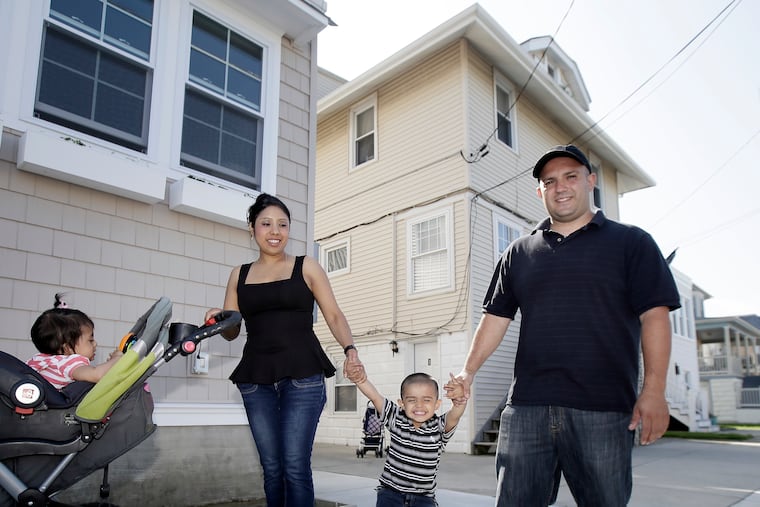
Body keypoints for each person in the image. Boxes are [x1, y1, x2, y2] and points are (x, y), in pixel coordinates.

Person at [452, 144, 681, 507]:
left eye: (570, 177)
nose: (560, 187)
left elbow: (655, 315)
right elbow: (495, 318)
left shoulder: (631, 243)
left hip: (602, 410)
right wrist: (467, 372)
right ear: (539, 191)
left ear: (590, 181)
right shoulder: (519, 252)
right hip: (527, 408)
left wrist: (654, 391)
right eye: (549, 181)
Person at [204, 192, 363, 507]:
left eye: (282, 224)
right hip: (255, 379)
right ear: (252, 228)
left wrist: (350, 349)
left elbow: (333, 314)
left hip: (303, 376)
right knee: (272, 468)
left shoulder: (307, 267)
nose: (275, 231)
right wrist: (219, 320)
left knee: (294, 466)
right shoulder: (240, 274)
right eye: (266, 224)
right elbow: (233, 332)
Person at [347, 366, 466, 507]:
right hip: (390, 494)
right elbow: (374, 396)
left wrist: (459, 398)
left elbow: (455, 414)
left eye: (426, 400)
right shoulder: (396, 418)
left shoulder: (439, 427)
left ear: (437, 404)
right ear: (402, 404)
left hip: (423, 499)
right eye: (412, 400)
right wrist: (360, 379)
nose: (419, 405)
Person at [27, 294, 123, 389]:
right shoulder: (69, 363)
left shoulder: (39, 360)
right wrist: (118, 358)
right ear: (67, 348)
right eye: (90, 340)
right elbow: (97, 374)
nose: (95, 344)